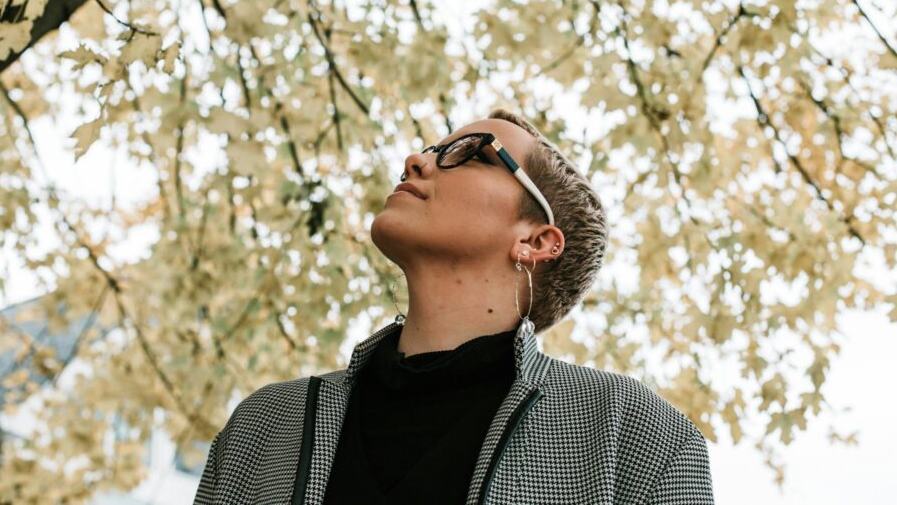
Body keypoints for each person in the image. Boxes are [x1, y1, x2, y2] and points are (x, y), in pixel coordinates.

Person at [193, 109, 715, 504]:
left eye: (473, 153)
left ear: (535, 240)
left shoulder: (633, 436)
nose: (416, 161)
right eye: (432, 148)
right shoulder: (261, 427)